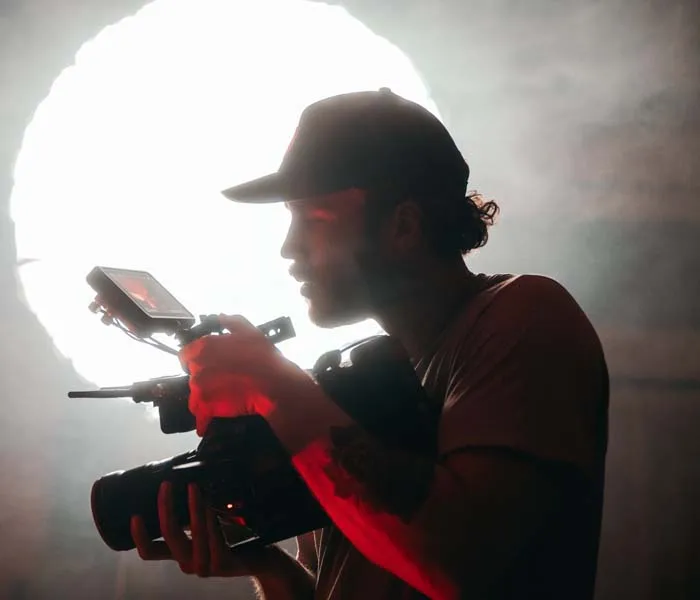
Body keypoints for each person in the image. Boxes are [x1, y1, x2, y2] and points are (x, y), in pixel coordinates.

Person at [130, 88, 609, 599]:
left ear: (403, 225)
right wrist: (270, 570)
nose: (288, 248)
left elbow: (458, 566)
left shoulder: (525, 315)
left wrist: (273, 384)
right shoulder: (362, 386)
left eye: (314, 220)